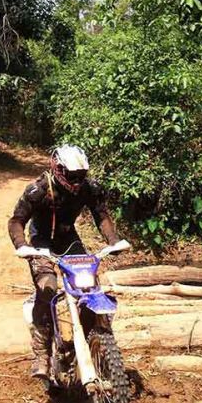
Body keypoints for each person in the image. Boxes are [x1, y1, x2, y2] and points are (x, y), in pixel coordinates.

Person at [7, 144, 121, 379]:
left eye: (82, 176)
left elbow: (101, 215)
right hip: (41, 242)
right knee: (47, 287)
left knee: (89, 284)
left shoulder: (88, 189)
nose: (77, 181)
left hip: (68, 239)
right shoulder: (38, 191)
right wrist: (23, 246)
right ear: (58, 169)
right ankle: (41, 355)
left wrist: (113, 241)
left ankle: (93, 336)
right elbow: (16, 221)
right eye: (72, 176)